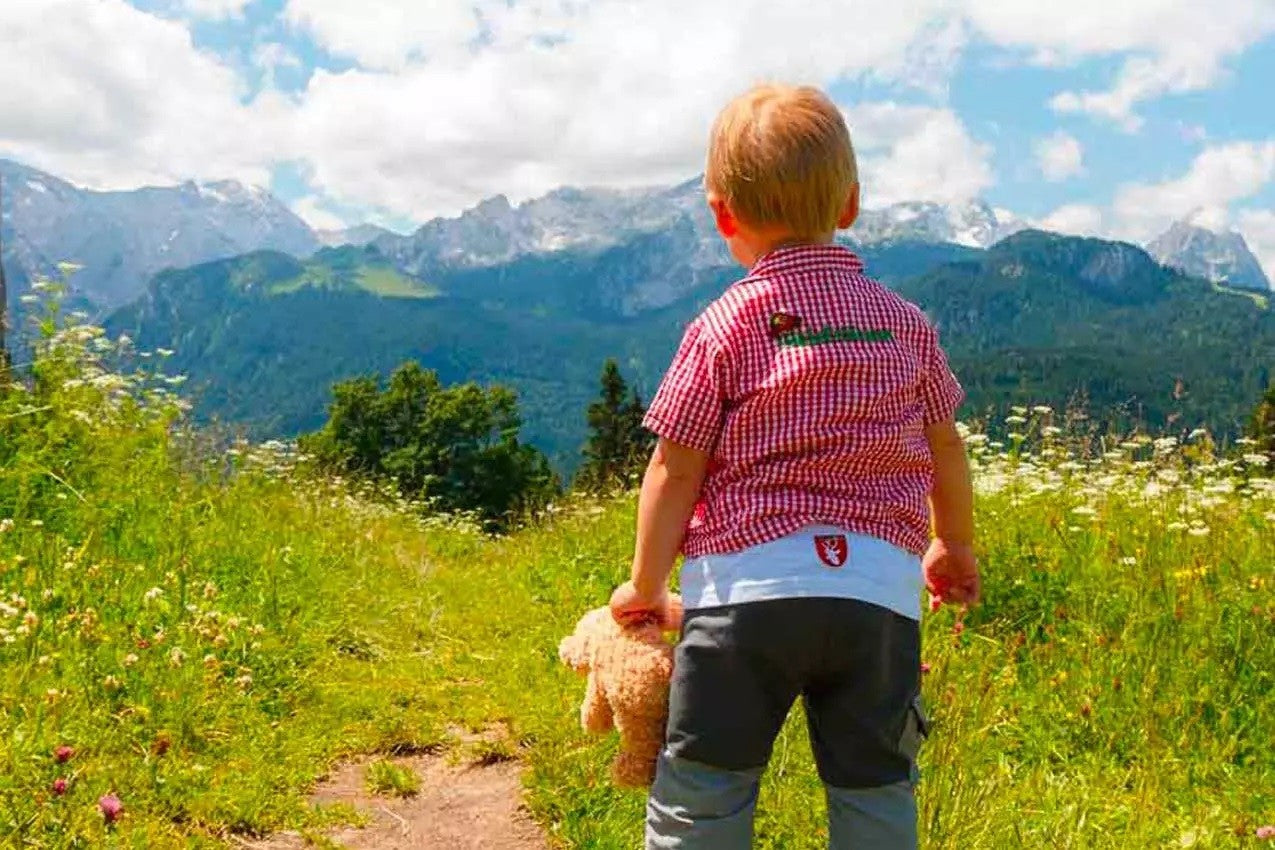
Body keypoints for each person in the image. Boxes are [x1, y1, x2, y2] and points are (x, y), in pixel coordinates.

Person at [608, 83, 980, 849]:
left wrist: (646, 588)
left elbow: (674, 470)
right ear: (849, 203)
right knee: (875, 789)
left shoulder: (721, 326)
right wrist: (951, 545)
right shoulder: (905, 325)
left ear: (721, 214)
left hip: (744, 598)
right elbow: (945, 444)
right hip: (876, 598)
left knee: (703, 791)